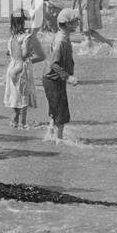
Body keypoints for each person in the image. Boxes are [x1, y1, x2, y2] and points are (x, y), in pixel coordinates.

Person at [44, 8, 80, 141]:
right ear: (68, 24)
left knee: (55, 110)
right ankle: (59, 140)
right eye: (75, 21)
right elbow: (54, 63)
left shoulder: (62, 36)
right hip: (53, 79)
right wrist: (68, 77)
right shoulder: (61, 41)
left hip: (52, 79)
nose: (77, 23)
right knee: (61, 113)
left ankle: (50, 135)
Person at [4, 12, 45, 129]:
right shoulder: (26, 37)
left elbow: (9, 53)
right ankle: (23, 123)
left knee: (15, 96)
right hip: (22, 68)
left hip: (12, 67)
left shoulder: (12, 37)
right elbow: (24, 54)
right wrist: (31, 51)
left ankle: (14, 121)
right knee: (23, 96)